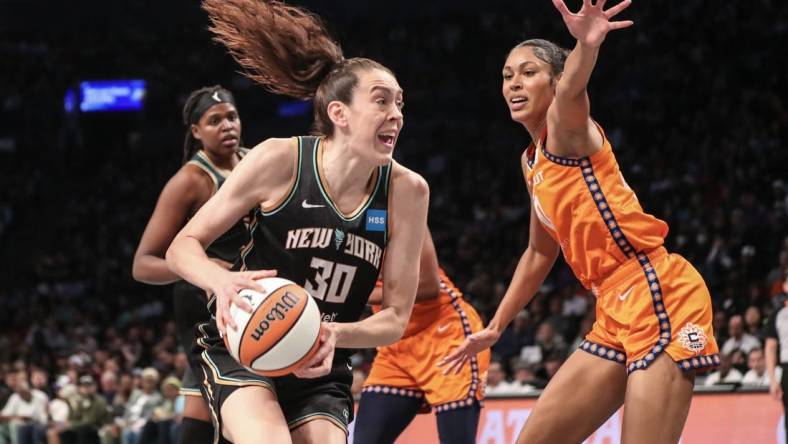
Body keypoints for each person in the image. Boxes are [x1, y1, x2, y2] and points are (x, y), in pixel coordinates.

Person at [441, 1, 719, 443]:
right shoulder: (530, 163)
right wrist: (495, 326)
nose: (514, 83)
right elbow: (538, 252)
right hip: (612, 308)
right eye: (507, 75)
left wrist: (584, 48)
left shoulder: (566, 127)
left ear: (553, 81)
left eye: (528, 72)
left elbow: (573, 90)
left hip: (657, 291)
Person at [165, 1, 429, 443]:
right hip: (242, 346)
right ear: (338, 114)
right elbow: (181, 247)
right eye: (381, 101)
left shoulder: (408, 190)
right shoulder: (281, 159)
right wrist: (220, 282)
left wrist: (331, 333)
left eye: (400, 103)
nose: (396, 114)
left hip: (321, 364)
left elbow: (396, 318)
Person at [132, 84, 248, 444]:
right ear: (196, 131)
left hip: (248, 297)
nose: (227, 125)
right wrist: (205, 269)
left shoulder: (254, 161)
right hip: (202, 307)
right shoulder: (189, 181)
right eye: (214, 121)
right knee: (233, 399)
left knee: (206, 410)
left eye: (231, 116)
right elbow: (143, 264)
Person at [354, 230, 490, 444]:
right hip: (397, 344)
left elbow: (429, 287)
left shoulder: (397, 210)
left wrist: (359, 294)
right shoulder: (334, 224)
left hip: (446, 337)